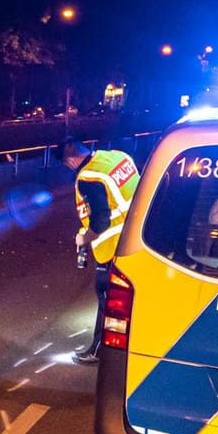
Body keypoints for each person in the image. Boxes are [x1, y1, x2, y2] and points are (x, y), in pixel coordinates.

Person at [61, 138, 142, 363]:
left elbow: (101, 221)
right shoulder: (117, 156)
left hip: (113, 246)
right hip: (140, 236)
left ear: (70, 160)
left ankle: (99, 350)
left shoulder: (88, 178)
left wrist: (84, 237)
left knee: (107, 298)